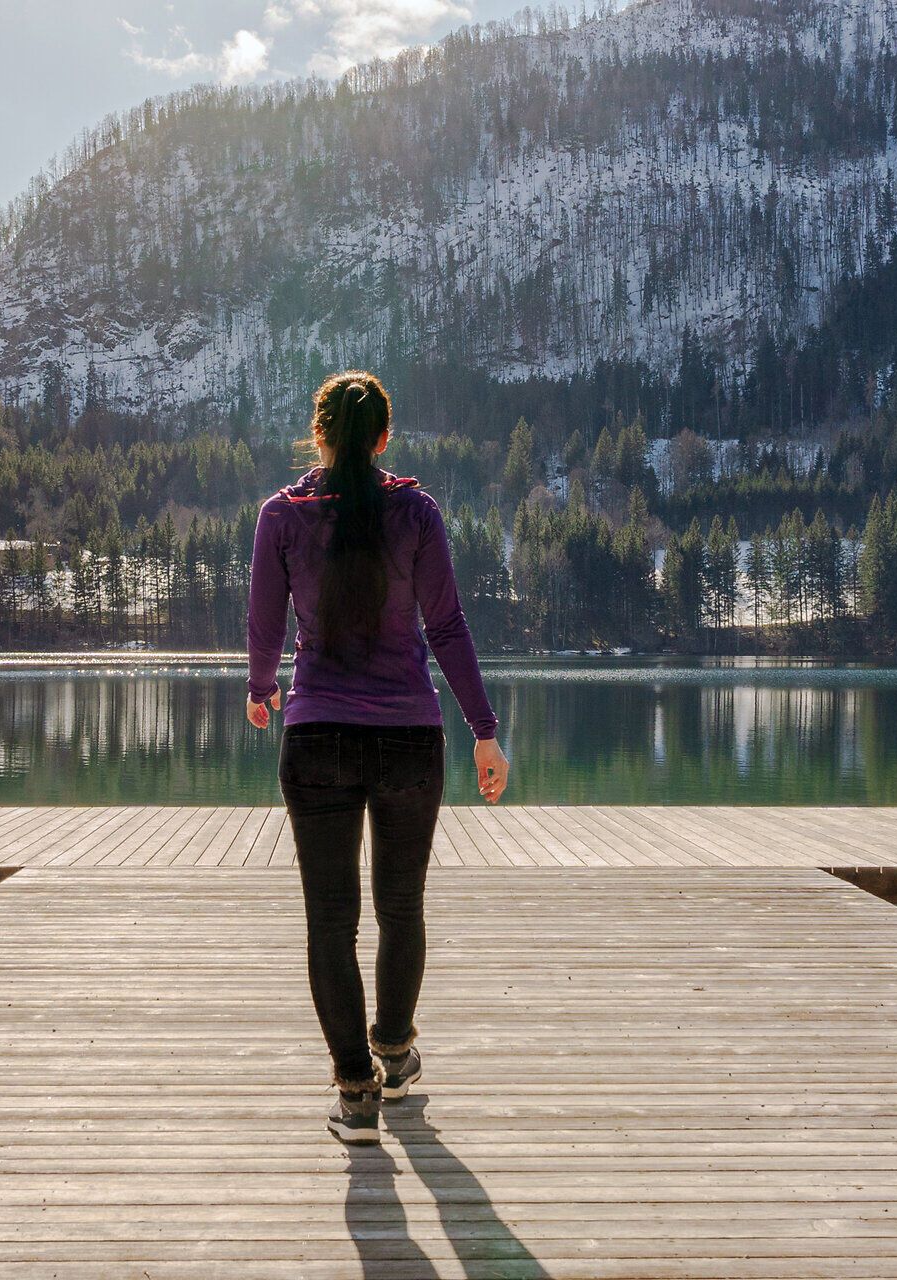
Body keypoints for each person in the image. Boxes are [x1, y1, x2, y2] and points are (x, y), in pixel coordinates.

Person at [246, 370, 508, 1144]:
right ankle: (394, 1052)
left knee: (331, 920)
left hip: (318, 733)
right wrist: (484, 729)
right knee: (401, 907)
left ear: (319, 435)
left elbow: (264, 628)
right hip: (409, 739)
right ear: (385, 437)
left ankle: (355, 1092)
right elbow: (448, 629)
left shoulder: (282, 516)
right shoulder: (417, 513)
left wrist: (263, 690)